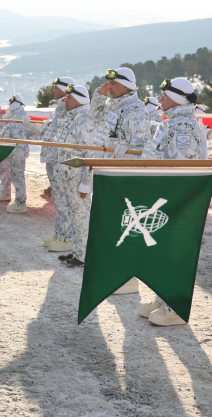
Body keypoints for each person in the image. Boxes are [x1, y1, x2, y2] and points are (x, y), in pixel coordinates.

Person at [136, 78, 203, 325]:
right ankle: (162, 297)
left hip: (173, 199)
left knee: (174, 252)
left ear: (178, 97)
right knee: (162, 252)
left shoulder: (183, 126)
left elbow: (180, 169)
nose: (160, 98)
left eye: (165, 94)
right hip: (161, 195)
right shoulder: (171, 123)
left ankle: (174, 305)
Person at [91, 68, 151, 295]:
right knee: (111, 225)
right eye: (108, 82)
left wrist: (127, 153)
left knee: (126, 226)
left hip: (125, 178)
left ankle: (128, 278)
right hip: (108, 175)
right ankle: (116, 271)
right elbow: (93, 116)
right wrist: (99, 93)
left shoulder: (135, 111)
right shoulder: (112, 105)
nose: (110, 86)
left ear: (127, 86)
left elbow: (142, 149)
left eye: (114, 83)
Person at [41, 84, 97, 267]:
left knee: (81, 217)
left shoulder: (86, 120)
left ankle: (83, 255)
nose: (64, 100)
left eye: (68, 98)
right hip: (66, 176)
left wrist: (86, 183)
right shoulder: (71, 118)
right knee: (75, 216)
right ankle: (77, 251)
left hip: (77, 179)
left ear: (79, 101)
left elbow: (90, 154)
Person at [30, 78, 73, 251]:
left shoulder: (66, 110)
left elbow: (50, 134)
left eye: (56, 88)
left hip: (59, 159)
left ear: (65, 91)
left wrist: (33, 128)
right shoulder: (59, 109)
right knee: (57, 198)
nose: (53, 91)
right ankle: (60, 232)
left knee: (64, 200)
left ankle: (67, 237)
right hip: (52, 158)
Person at [0, 93, 38, 213]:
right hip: (15, 152)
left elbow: (19, 137)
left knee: (18, 178)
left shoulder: (19, 118)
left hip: (16, 153)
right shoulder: (15, 116)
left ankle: (20, 203)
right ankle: (19, 201)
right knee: (17, 177)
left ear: (17, 104)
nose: (9, 105)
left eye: (11, 103)